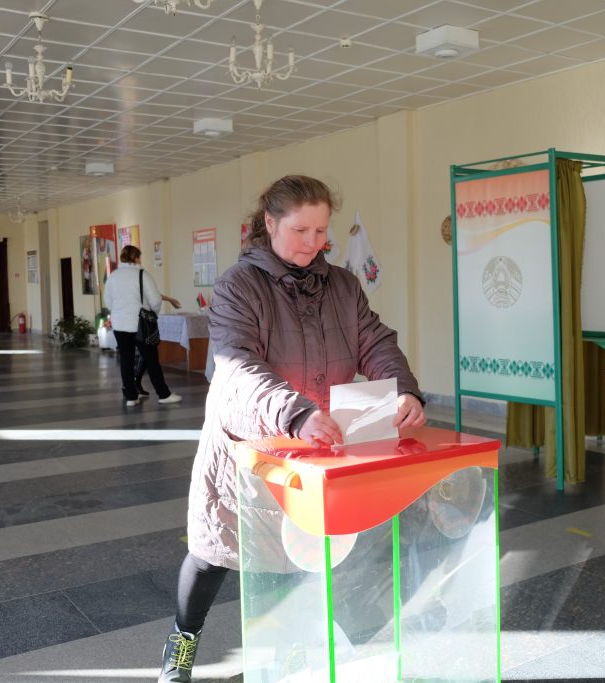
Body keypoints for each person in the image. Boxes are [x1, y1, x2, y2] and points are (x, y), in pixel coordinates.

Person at [158, 175, 426, 682]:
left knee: (297, 557)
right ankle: (182, 641)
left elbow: (375, 342)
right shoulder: (240, 285)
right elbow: (236, 367)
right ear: (269, 223)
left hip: (315, 449)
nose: (313, 242)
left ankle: (290, 650)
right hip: (250, 444)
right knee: (214, 552)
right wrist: (295, 413)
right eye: (300, 229)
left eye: (321, 231)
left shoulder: (343, 285)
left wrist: (403, 390)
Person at [104, 245, 182, 407]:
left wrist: (119, 311)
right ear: (136, 258)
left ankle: (131, 397)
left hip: (120, 324)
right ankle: (163, 394)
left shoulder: (113, 276)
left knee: (126, 359)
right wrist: (152, 313)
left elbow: (108, 300)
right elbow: (155, 300)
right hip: (140, 325)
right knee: (151, 359)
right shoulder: (142, 275)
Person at [135, 293, 182, 397]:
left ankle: (133, 387)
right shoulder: (140, 278)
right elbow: (154, 296)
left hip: (126, 322)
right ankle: (163, 394)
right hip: (140, 322)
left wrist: (170, 299)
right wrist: (170, 299)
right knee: (149, 357)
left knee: (143, 356)